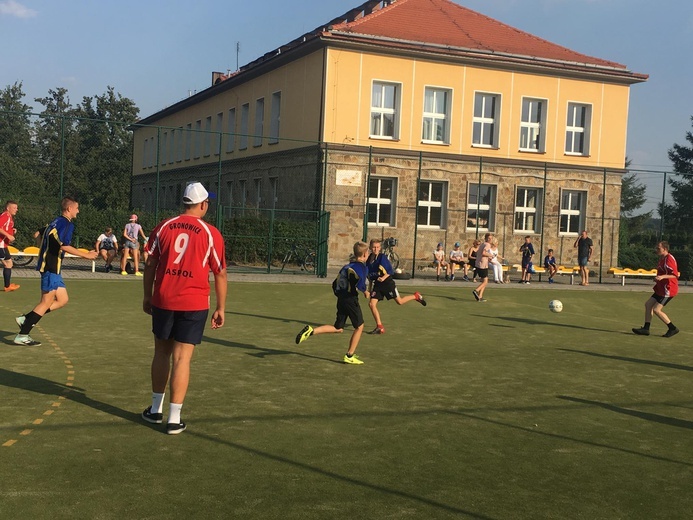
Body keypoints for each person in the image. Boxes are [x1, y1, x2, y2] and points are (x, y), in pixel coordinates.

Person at [141, 182, 227, 435]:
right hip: (194, 302)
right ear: (202, 204)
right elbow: (220, 273)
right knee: (182, 358)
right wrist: (221, 307)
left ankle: (156, 409)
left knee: (161, 353)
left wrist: (148, 295)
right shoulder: (211, 233)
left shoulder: (164, 226)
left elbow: (150, 264)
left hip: (164, 298)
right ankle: (174, 418)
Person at [14, 197, 98, 346]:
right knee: (45, 303)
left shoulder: (55, 222)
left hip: (52, 267)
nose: (78, 211)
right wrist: (87, 255)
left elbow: (37, 234)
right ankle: (23, 335)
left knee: (62, 300)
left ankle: (26, 319)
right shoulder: (66, 224)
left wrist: (43, 250)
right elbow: (64, 246)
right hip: (50, 268)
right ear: (69, 209)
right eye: (77, 208)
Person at [295, 241, 370, 365]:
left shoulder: (346, 267)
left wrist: (340, 295)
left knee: (338, 328)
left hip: (341, 300)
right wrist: (365, 291)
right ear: (365, 254)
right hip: (351, 300)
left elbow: (335, 283)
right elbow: (359, 280)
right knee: (359, 326)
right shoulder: (360, 267)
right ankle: (349, 355)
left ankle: (311, 331)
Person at [365, 238, 426, 335]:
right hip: (378, 285)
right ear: (370, 248)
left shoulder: (382, 258)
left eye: (377, 247)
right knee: (371, 304)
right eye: (374, 247)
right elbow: (370, 277)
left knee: (400, 302)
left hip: (387, 283)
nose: (375, 249)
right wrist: (368, 290)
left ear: (380, 248)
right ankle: (379, 327)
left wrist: (383, 278)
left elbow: (390, 271)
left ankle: (416, 296)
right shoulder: (368, 261)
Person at [632, 241, 680, 338]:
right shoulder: (662, 258)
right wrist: (658, 278)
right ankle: (646, 329)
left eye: (658, 248)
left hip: (668, 289)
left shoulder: (669, 259)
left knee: (657, 309)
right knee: (648, 304)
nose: (656, 250)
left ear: (665, 249)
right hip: (660, 288)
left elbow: (675, 275)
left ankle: (672, 328)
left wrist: (662, 277)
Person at [0, 200, 20, 292]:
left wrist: (12, 231)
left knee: (9, 263)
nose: (16, 210)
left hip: (3, 245)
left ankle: (7, 286)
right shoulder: (5, 216)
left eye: (17, 208)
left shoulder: (9, 217)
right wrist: (8, 235)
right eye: (14, 208)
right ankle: (7, 286)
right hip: (1, 245)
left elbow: (5, 228)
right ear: (8, 208)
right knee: (8, 263)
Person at [472, 233, 494, 302]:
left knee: (484, 281)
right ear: (486, 238)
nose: (490, 240)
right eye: (489, 238)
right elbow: (484, 253)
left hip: (479, 264)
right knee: (485, 281)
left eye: (491, 238)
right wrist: (491, 255)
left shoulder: (482, 244)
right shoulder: (487, 244)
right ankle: (476, 290)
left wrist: (489, 258)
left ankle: (480, 296)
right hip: (482, 265)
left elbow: (482, 254)